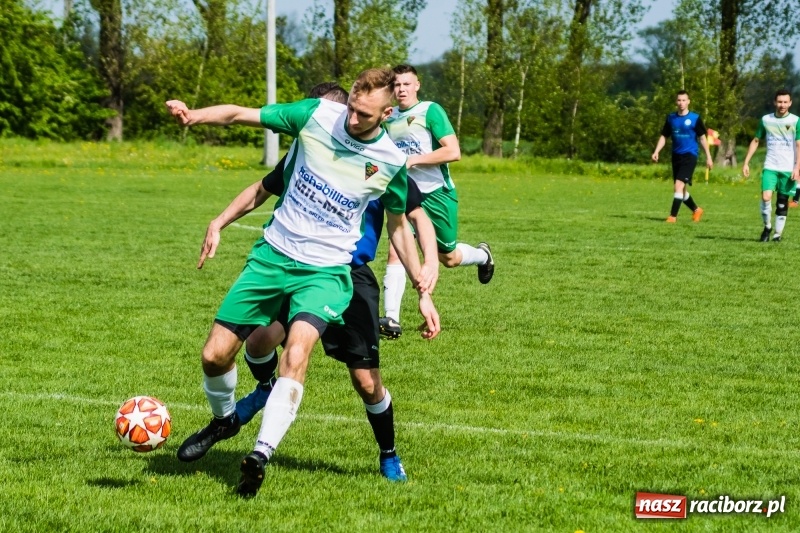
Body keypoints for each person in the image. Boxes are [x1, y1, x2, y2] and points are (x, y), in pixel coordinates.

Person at [165, 68, 440, 498]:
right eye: (351, 107)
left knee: (311, 359)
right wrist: (193, 116)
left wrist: (423, 289)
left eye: (364, 115)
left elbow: (400, 225)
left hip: (329, 272)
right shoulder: (316, 116)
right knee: (215, 356)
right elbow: (241, 115)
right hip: (272, 259)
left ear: (387, 114)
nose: (352, 119)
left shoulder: (389, 160)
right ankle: (225, 419)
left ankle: (260, 455)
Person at [379, 64, 494, 339]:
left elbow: (453, 151)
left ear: (417, 85)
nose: (401, 89)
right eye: (397, 85)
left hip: (437, 193)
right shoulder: (388, 116)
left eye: (406, 84)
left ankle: (483, 255)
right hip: (406, 193)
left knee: (448, 258)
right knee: (396, 248)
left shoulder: (430, 111)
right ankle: (391, 319)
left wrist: (414, 160)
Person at [743, 89, 800, 242]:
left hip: (788, 168)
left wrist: (797, 167)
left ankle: (777, 235)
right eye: (780, 102)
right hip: (771, 165)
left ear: (790, 103)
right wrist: (746, 162)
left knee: (782, 202)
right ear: (775, 102)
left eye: (785, 102)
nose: (782, 105)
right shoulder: (766, 120)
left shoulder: (795, 121)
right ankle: (767, 227)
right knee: (766, 196)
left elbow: (799, 145)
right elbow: (756, 140)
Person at [651, 90, 713, 224]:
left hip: (690, 156)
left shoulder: (695, 118)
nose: (681, 103)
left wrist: (708, 157)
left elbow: (703, 138)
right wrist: (656, 151)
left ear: (688, 102)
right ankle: (696, 210)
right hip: (676, 156)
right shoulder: (671, 118)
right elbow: (664, 136)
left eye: (684, 100)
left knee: (678, 186)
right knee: (682, 190)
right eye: (679, 100)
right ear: (676, 102)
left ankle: (672, 217)